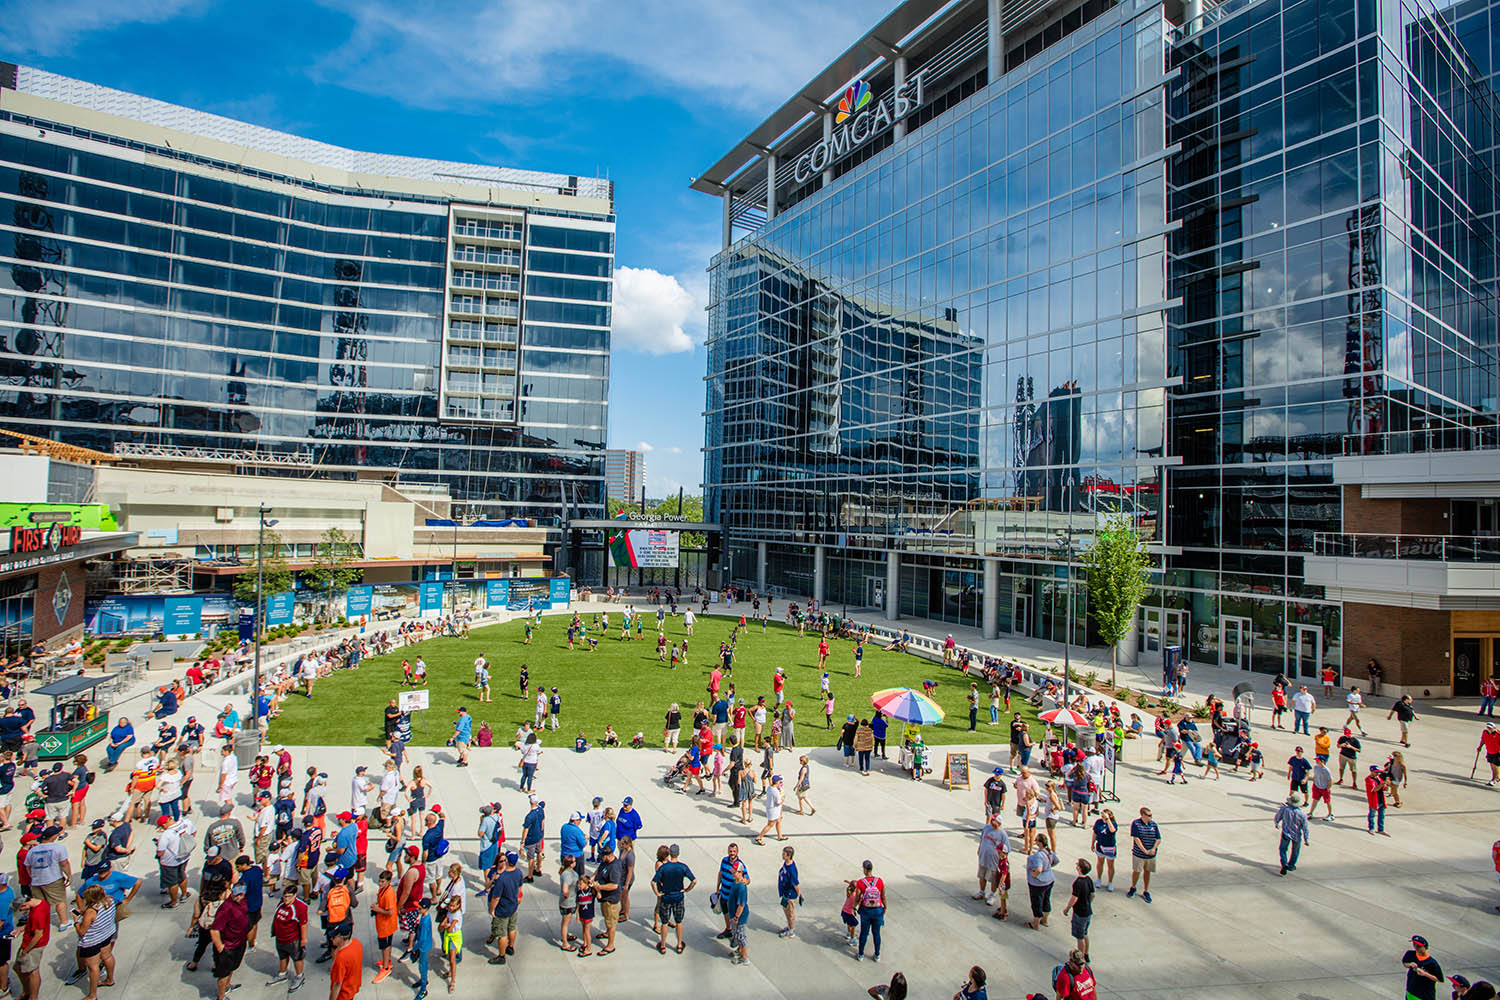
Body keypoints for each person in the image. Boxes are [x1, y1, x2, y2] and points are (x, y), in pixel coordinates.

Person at [72, 883, 117, 1000]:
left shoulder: (91, 912)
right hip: (106, 935)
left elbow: (82, 932)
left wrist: (76, 922)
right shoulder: (110, 901)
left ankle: (92, 995)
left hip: (92, 941)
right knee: (107, 957)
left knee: (93, 967)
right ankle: (110, 979)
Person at [651, 842, 696, 954]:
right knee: (679, 921)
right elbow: (694, 880)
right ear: (678, 853)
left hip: (666, 897)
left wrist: (657, 893)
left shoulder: (664, 868)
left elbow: (653, 882)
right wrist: (686, 889)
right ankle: (679, 944)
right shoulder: (682, 867)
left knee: (665, 922)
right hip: (678, 897)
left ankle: (663, 945)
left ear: (670, 854)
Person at [210, 881, 251, 1000]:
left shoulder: (243, 901)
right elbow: (214, 930)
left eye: (241, 895)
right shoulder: (226, 907)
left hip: (239, 943)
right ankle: (221, 996)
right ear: (232, 893)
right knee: (223, 974)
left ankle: (228, 986)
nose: (238, 897)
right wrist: (220, 948)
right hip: (227, 947)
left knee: (232, 968)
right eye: (236, 895)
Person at [485, 851, 525, 965]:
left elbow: (496, 897)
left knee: (502, 934)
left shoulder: (502, 878)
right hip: (513, 906)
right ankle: (511, 947)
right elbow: (520, 888)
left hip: (502, 909)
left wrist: (492, 909)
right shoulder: (518, 872)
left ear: (507, 861)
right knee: (512, 927)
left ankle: (501, 956)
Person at [270, 883, 309, 992]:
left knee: (297, 958)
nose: (286, 899)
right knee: (282, 956)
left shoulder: (300, 907)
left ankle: (300, 976)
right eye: (285, 896)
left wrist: (303, 939)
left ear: (294, 895)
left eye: (289, 897)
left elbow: (303, 924)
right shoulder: (281, 903)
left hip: (293, 939)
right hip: (280, 938)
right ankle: (282, 974)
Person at [13, 897, 49, 1000]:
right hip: (27, 942)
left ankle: (33, 997)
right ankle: (27, 992)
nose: (23, 912)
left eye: (21, 909)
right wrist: (20, 930)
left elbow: (38, 935)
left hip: (33, 946)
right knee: (17, 967)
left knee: (32, 971)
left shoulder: (38, 914)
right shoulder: (40, 903)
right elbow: (32, 925)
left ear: (25, 905)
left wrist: (25, 950)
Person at [975, 813, 1010, 915]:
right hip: (983, 857)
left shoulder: (1002, 834)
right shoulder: (986, 827)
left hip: (994, 861)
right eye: (992, 820)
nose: (992, 822)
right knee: (982, 875)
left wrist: (1002, 858)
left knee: (992, 878)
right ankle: (981, 892)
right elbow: (982, 839)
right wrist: (979, 848)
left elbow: (1007, 848)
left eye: (994, 820)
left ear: (999, 822)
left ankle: (992, 895)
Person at [1061, 858, 1095, 962]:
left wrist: (1067, 908)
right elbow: (1092, 894)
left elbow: (1074, 898)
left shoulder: (1078, 882)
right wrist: (1088, 903)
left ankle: (1081, 958)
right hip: (1088, 911)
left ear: (1079, 868)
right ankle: (1086, 953)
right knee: (1085, 933)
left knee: (1079, 937)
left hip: (1079, 913)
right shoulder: (1089, 880)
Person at [592, 843, 622, 955]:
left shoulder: (614, 867)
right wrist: (592, 878)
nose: (601, 858)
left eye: (602, 856)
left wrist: (599, 887)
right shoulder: (605, 862)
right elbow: (599, 869)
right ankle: (606, 933)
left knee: (611, 922)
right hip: (604, 898)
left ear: (609, 855)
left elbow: (614, 885)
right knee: (606, 918)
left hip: (611, 899)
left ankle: (610, 945)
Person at [1024, 833, 1058, 930]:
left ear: (1039, 843)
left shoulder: (1038, 856)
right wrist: (1048, 868)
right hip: (1049, 879)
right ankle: (1045, 920)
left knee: (1036, 903)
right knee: (1046, 900)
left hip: (1038, 883)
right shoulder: (1049, 851)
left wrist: (1033, 874)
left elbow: (1038, 869)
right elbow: (1056, 860)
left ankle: (1036, 924)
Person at [1126, 806, 1159, 902]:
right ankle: (1133, 887)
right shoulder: (1136, 824)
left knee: (1147, 871)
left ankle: (1146, 890)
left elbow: (1158, 838)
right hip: (1139, 854)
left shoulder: (1153, 825)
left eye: (1151, 815)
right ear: (1143, 815)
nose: (1150, 817)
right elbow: (1136, 838)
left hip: (1151, 854)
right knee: (1137, 871)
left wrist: (1153, 849)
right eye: (1148, 815)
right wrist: (1145, 851)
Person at [854, 859, 885, 963]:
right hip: (877, 911)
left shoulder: (860, 883)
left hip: (866, 911)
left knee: (864, 933)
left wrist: (854, 907)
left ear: (864, 869)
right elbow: (883, 896)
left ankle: (861, 954)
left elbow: (857, 898)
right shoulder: (879, 881)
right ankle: (877, 955)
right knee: (876, 934)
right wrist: (885, 907)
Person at [1274, 793, 1310, 875]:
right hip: (1296, 835)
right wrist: (1306, 839)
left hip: (1285, 833)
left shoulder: (1284, 809)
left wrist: (1277, 823)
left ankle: (1284, 863)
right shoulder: (1302, 814)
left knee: (1283, 849)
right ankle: (1291, 865)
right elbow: (1305, 827)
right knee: (1295, 851)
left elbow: (1277, 817)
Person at [725, 862, 750, 966]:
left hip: (739, 917)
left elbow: (741, 905)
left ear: (740, 872)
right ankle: (739, 950)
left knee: (741, 937)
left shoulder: (741, 887)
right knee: (737, 934)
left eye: (735, 872)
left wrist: (736, 917)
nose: (733, 874)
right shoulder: (736, 882)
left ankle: (744, 958)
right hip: (733, 915)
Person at [1403, 935, 1442, 1000]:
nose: (1416, 947)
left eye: (1418, 946)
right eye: (1414, 944)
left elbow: (1439, 979)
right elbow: (1405, 963)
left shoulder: (1431, 963)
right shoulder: (1410, 954)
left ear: (1425, 948)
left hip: (1424, 995)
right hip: (1411, 991)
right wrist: (1410, 964)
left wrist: (1425, 974)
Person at [328, 926, 363, 1000]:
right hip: (352, 988)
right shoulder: (356, 943)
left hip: (343, 995)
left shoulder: (341, 958)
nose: (331, 939)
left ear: (341, 938)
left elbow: (337, 984)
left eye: (334, 937)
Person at [777, 845, 802, 938]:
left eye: (784, 854)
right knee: (785, 910)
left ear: (789, 855)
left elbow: (795, 883)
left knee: (790, 912)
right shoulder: (786, 864)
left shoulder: (791, 869)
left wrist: (799, 894)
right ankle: (789, 926)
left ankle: (791, 930)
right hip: (785, 892)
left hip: (790, 894)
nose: (782, 855)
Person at [755, 774, 787, 844]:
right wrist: (783, 800)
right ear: (777, 782)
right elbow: (778, 802)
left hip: (771, 808)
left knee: (778, 821)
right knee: (770, 824)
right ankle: (759, 837)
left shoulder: (769, 787)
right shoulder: (775, 791)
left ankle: (780, 836)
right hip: (773, 810)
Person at [1091, 809, 1117, 891]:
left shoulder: (1113, 823)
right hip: (1100, 846)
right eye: (1102, 816)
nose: (1102, 818)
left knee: (1110, 865)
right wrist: (1092, 843)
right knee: (1100, 862)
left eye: (1104, 817)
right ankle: (1099, 879)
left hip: (1110, 847)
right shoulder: (1098, 822)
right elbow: (1095, 833)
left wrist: (1108, 820)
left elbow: (1112, 830)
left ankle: (1110, 882)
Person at [1365, 764, 1390, 836]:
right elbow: (1374, 789)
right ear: (1372, 772)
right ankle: (1371, 828)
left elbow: (1385, 789)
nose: (1378, 774)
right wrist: (1382, 784)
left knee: (1382, 815)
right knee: (1372, 814)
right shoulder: (1369, 779)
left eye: (1378, 772)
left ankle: (1381, 829)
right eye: (1376, 772)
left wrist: (1386, 785)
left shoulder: (1379, 778)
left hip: (1381, 799)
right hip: (1374, 800)